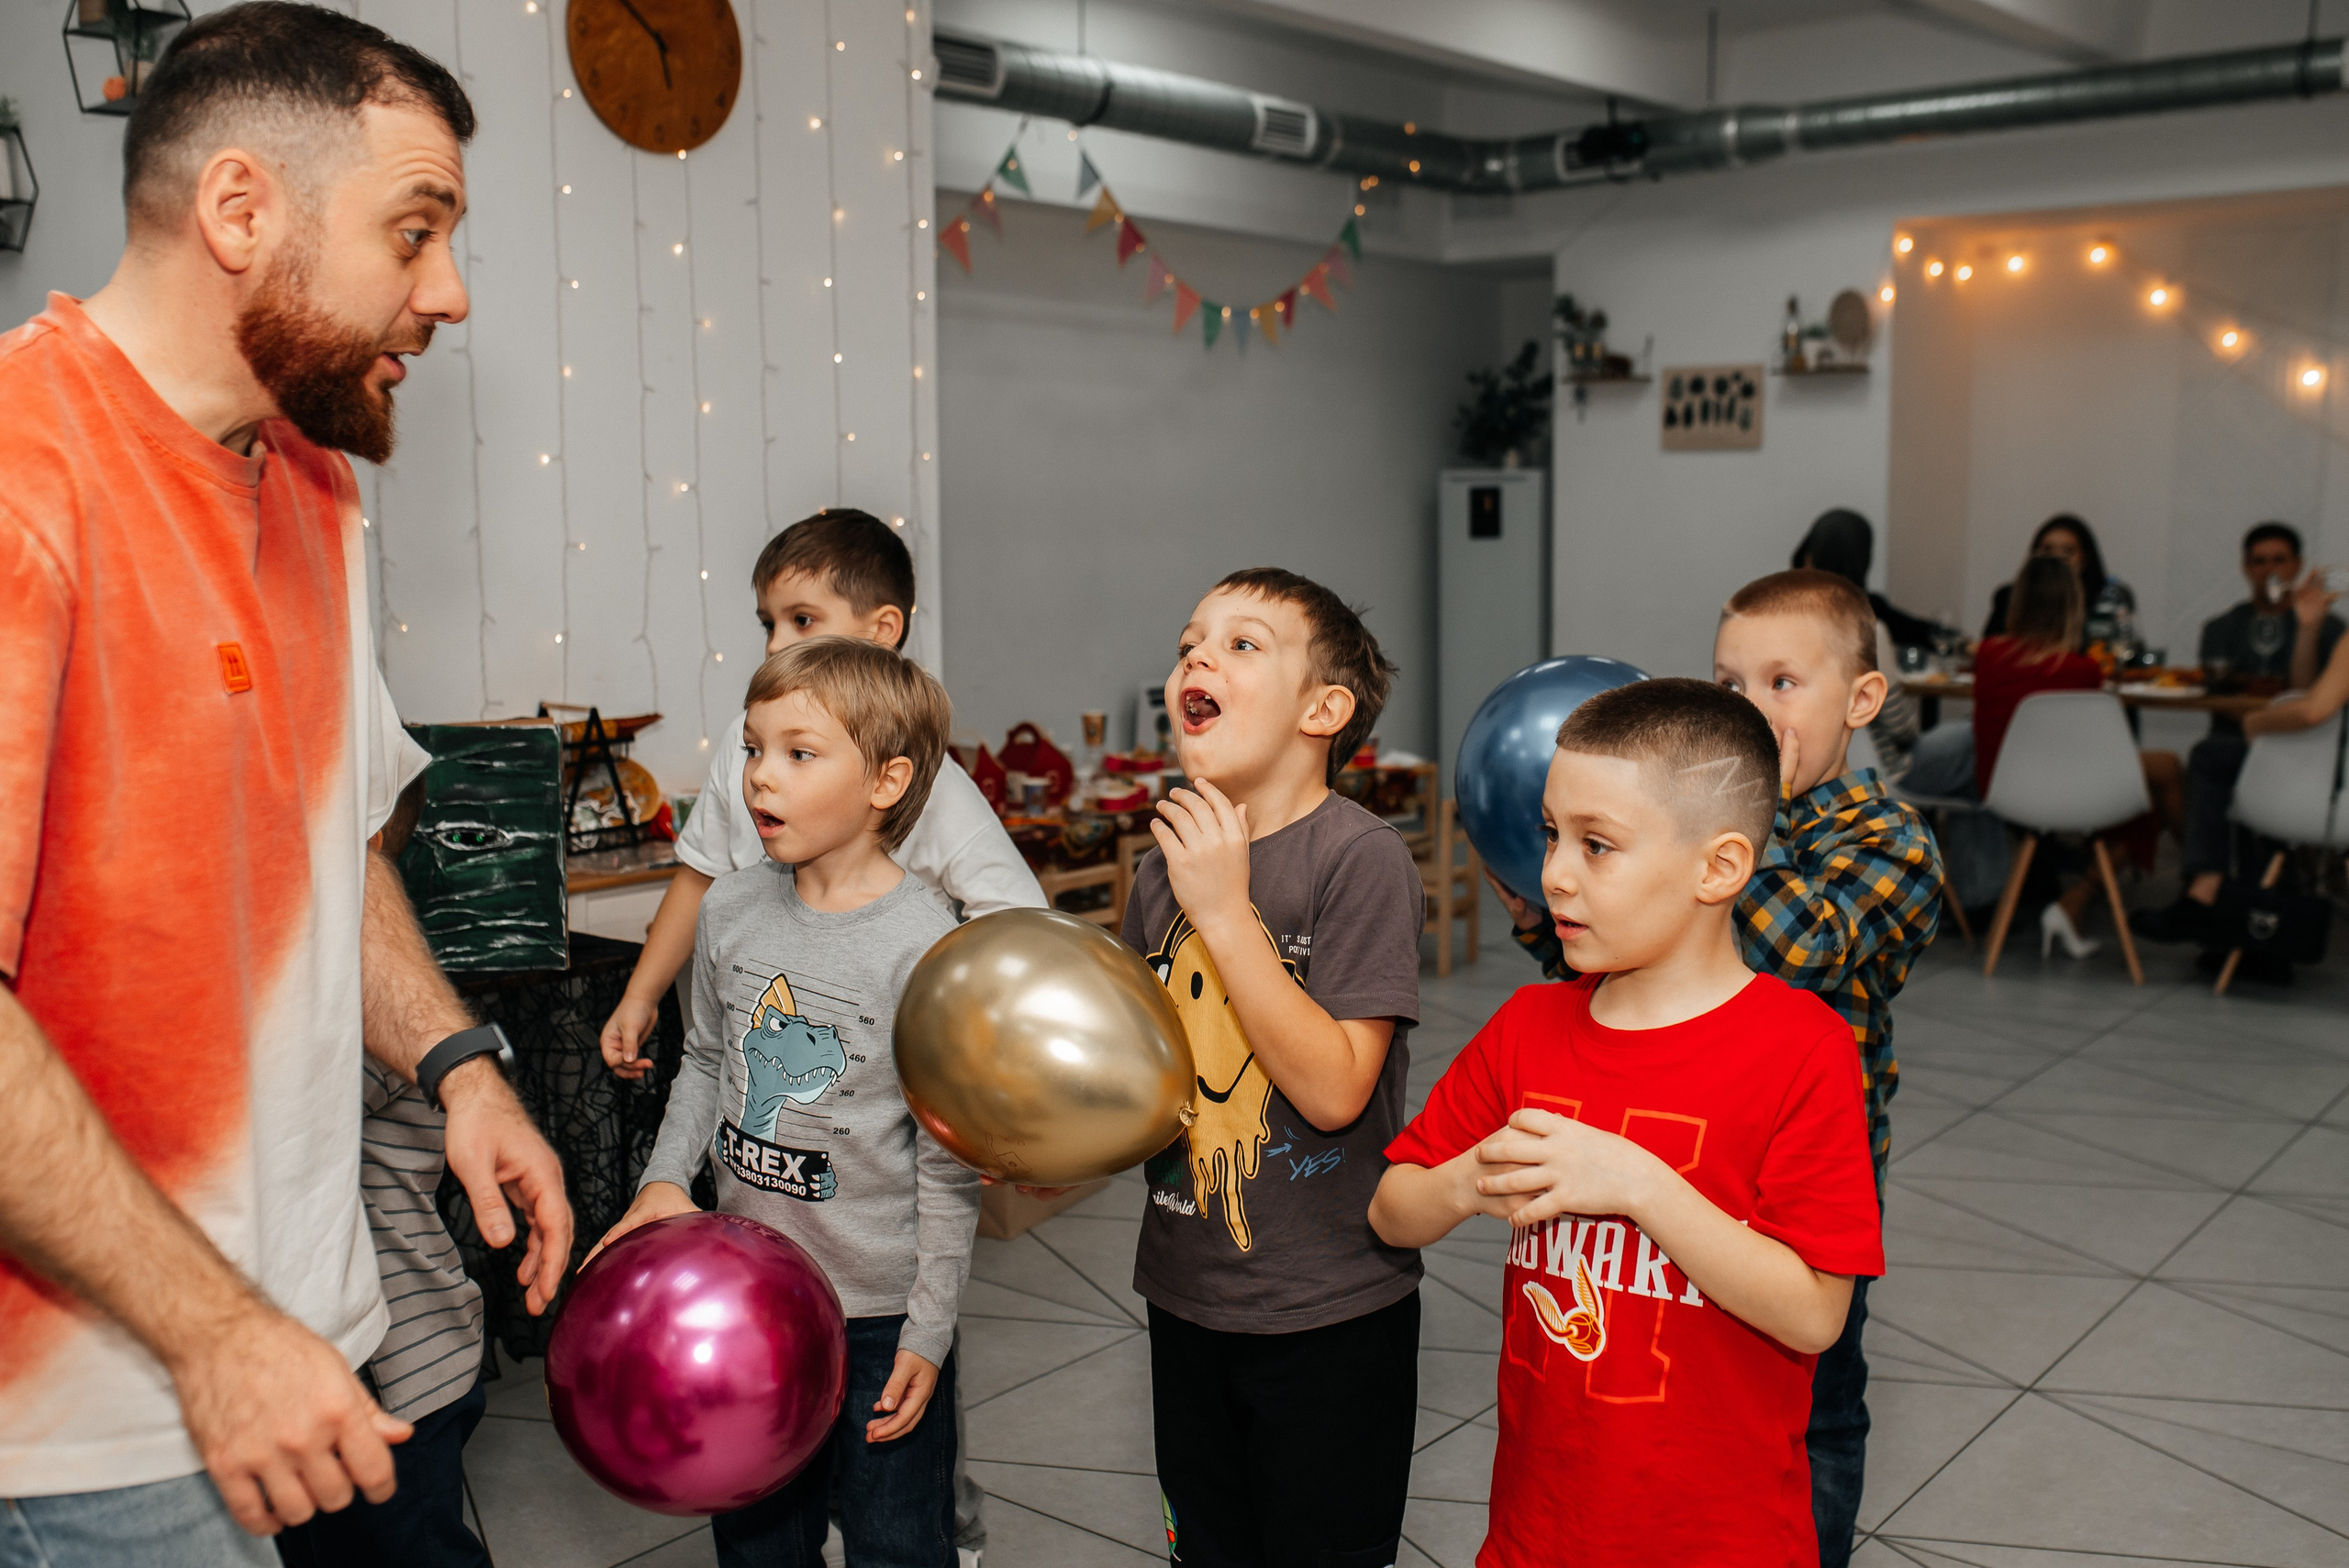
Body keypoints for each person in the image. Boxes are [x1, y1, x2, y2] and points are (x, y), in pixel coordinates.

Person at [0, 6, 571, 1562]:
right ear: (242, 211)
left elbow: (321, 833)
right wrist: (215, 1333)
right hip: (97, 1423)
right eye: (415, 230)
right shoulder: (21, 471)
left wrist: (458, 1063)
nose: (448, 293)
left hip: (314, 1338)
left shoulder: (310, 474)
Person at [597, 507, 1035, 1566]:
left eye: (797, 753)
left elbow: (946, 1158)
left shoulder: (926, 945)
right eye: (753, 750)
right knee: (759, 1538)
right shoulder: (736, 911)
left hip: (881, 1309)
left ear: (886, 783)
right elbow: (705, 1058)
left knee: (895, 1539)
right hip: (750, 1298)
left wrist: (929, 1328)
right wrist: (665, 1183)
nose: (759, 777)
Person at [1373, 679, 1884, 1567]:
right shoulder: (1526, 1028)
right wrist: (1464, 1180)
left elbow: (1812, 1314)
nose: (1554, 873)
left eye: (1596, 844)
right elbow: (1391, 1209)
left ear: (1717, 867)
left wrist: (1643, 1184)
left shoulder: (1803, 1048)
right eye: (1550, 834)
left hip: (1719, 1538)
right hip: (1542, 1525)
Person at [1496, 568, 1939, 1566]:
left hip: (1803, 1179)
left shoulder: (1890, 841)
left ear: (1861, 702)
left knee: (1812, 1392)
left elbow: (1798, 944)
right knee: (1684, 1380)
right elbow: (1626, 973)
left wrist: (1735, 815)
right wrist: (1553, 920)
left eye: (1782, 683)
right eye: (1727, 684)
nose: (1748, 707)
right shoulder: (1686, 832)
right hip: (1667, 1143)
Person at [1123, 568, 1425, 1565]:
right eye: (1187, 642)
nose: (1197, 658)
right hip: (1186, 1286)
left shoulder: (1359, 857)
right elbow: (1140, 1068)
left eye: (1242, 643)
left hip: (1328, 1311)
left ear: (1322, 710)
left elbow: (1337, 1087)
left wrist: (1222, 906)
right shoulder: (1160, 862)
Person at [2132, 523, 2343, 944]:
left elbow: (2311, 704)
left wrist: (2257, 721)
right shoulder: (2225, 625)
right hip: (2269, 753)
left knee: (2211, 759)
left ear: (2298, 565)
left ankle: (2207, 891)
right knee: (2214, 757)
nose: (2270, 570)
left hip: (2313, 763)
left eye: (2279, 560)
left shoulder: (2335, 630)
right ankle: (2219, 894)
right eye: (2260, 561)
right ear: (2246, 567)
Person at [1973, 557, 2176, 959]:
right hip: (2069, 791)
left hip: (2002, 788)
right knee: (2165, 776)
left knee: (2157, 776)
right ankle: (2194, 894)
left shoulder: (1989, 656)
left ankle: (2081, 903)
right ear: (2074, 606)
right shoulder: (2081, 670)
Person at [1789, 509, 1930, 775]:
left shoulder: (1782, 629)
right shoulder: (1869, 631)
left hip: (1808, 773)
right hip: (1879, 773)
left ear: (1808, 557)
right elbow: (1901, 729)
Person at [1982, 513, 2135, 651]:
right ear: (2034, 554)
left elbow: (2127, 648)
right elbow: (1991, 646)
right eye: (2047, 549)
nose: (2056, 558)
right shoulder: (2008, 596)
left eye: (2068, 551)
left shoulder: (2107, 597)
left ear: (2085, 558)